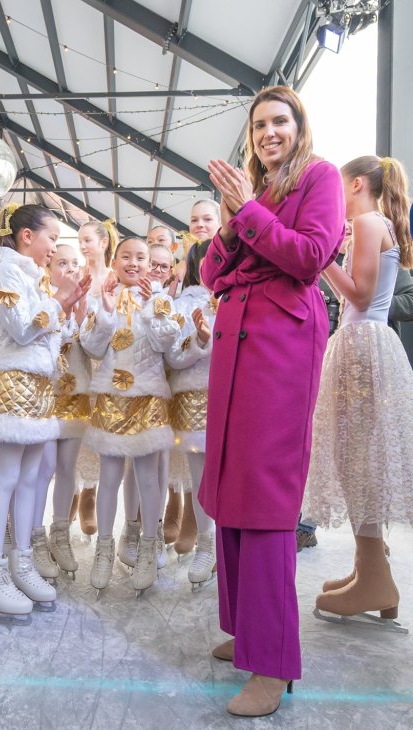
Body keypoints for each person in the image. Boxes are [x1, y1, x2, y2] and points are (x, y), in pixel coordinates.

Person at [201, 86, 345, 717]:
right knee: (231, 482)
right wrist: (239, 223)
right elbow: (210, 274)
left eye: (279, 121)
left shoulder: (321, 177)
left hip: (281, 346)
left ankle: (274, 664)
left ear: (298, 125)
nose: (268, 132)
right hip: (236, 345)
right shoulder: (253, 194)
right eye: (259, 124)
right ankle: (246, 633)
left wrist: (247, 219)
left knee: (264, 493)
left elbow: (310, 256)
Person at [304, 155, 413, 621]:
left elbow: (362, 295)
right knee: (356, 458)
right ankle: (369, 570)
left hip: (362, 342)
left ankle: (373, 576)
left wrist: (324, 257)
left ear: (357, 184)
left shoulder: (368, 220)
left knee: (358, 459)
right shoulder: (373, 222)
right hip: (363, 342)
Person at [0, 203, 88, 618]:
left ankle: (21, 560)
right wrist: (57, 301)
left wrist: (64, 305)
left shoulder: (31, 274)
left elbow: (46, 338)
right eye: (52, 237)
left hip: (38, 387)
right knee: (4, 477)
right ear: (26, 236)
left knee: (32, 475)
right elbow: (22, 328)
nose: (55, 246)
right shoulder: (6, 270)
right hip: (11, 382)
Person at [80, 237, 180, 594]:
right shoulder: (100, 299)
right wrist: (105, 311)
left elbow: (167, 343)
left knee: (148, 477)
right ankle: (104, 550)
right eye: (127, 256)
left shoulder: (161, 300)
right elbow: (90, 346)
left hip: (149, 398)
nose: (135, 263)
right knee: (109, 477)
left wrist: (153, 303)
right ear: (115, 261)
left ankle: (149, 548)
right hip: (111, 397)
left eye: (142, 257)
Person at [165, 240, 217, 587]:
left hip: (237, 397)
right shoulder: (183, 304)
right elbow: (174, 357)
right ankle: (207, 545)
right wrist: (201, 341)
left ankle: (229, 547)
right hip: (196, 400)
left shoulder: (240, 296)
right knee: (201, 479)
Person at [41, 243, 91, 579]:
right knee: (41, 469)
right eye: (62, 262)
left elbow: (96, 345)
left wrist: (84, 311)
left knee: (67, 468)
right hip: (44, 396)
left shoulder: (93, 300)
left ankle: (60, 533)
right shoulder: (42, 298)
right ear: (49, 268)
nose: (70, 268)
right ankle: (31, 538)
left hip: (77, 394)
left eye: (76, 263)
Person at [73, 219, 118, 537]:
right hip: (79, 358)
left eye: (88, 239)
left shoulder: (117, 278)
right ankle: (79, 492)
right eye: (80, 240)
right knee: (78, 435)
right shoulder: (76, 277)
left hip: (109, 363)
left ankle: (92, 493)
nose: (83, 245)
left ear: (103, 243)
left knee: (103, 438)